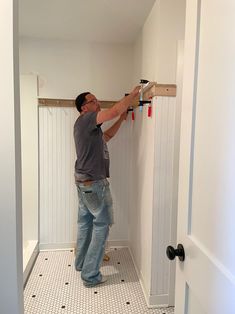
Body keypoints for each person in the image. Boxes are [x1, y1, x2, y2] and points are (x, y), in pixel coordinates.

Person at [73, 86, 140, 287]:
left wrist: (121, 120)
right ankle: (90, 275)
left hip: (84, 183)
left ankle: (81, 263)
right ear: (84, 108)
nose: (98, 103)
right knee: (101, 226)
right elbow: (112, 111)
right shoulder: (86, 120)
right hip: (94, 184)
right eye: (93, 101)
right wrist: (132, 95)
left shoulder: (88, 128)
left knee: (85, 223)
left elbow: (107, 137)